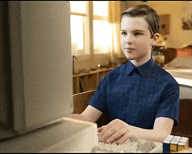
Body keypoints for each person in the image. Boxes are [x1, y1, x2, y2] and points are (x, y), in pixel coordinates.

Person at [68, 5, 180, 144]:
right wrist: (56, 121)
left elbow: (162, 134)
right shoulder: (111, 78)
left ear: (154, 38)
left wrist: (129, 130)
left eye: (137, 33)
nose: (128, 40)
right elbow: (86, 118)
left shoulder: (168, 84)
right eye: (124, 33)